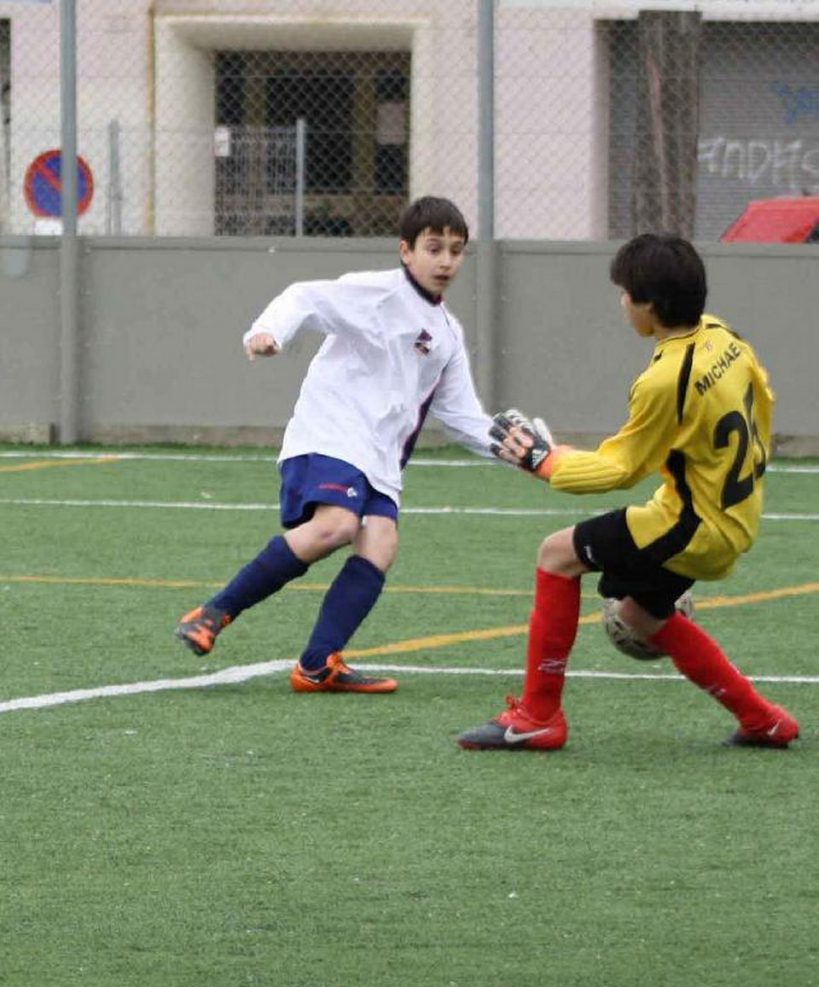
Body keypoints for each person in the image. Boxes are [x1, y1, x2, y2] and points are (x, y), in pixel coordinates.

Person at [457, 232, 800, 750]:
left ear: (651, 306)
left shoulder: (666, 379)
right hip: (733, 516)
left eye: (626, 294)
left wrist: (541, 463)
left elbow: (620, 469)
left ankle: (539, 716)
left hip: (691, 527)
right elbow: (762, 400)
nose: (622, 303)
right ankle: (765, 720)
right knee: (638, 616)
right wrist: (560, 454)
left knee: (556, 555)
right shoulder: (723, 338)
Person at [176, 196, 493, 693]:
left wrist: (529, 456)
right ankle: (213, 612)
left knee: (381, 543)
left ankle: (318, 665)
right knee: (339, 525)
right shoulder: (375, 293)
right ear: (406, 251)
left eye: (456, 250)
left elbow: (461, 415)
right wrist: (268, 333)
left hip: (381, 459)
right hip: (332, 435)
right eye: (435, 248)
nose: (447, 261)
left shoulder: (448, 334)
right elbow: (303, 296)